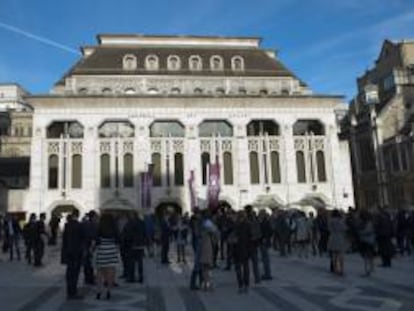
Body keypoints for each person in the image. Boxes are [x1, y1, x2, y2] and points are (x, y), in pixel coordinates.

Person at [94, 213, 120, 300]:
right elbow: (118, 240)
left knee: (99, 271)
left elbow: (96, 239)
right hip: (112, 250)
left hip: (101, 250)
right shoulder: (114, 227)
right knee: (111, 271)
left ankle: (98, 291)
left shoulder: (99, 227)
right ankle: (108, 291)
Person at [61, 210, 85, 300]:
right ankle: (73, 292)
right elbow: (83, 239)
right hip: (77, 253)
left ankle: (69, 291)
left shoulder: (67, 225)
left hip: (68, 252)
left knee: (69, 272)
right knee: (75, 273)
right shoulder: (79, 225)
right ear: (78, 215)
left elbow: (64, 241)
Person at [123, 212, 146, 283]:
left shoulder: (130, 223)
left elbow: (127, 234)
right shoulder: (142, 222)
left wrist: (126, 242)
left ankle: (131, 278)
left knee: (131, 262)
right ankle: (141, 277)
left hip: (132, 245)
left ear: (132, 215)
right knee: (140, 262)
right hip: (140, 245)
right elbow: (144, 233)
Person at [199, 210, 219, 291]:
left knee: (204, 266)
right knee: (207, 266)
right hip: (207, 246)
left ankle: (205, 283)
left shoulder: (202, 223)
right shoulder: (207, 224)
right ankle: (207, 284)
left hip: (203, 245)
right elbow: (215, 231)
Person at [234, 210, 251, 293]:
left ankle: (241, 285)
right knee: (245, 268)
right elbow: (251, 238)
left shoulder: (236, 226)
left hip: (238, 249)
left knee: (239, 268)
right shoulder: (248, 225)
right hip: (245, 249)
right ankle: (246, 285)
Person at [327, 210, 347, 276]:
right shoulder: (341, 221)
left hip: (332, 237)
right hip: (340, 237)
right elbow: (344, 228)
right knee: (340, 254)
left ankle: (335, 268)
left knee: (334, 254)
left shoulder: (330, 221)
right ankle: (341, 269)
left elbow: (329, 229)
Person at [358, 210, 376, 276]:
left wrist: (361, 233)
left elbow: (368, 231)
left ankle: (368, 268)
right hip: (370, 240)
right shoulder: (370, 222)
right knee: (369, 255)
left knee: (366, 255)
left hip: (365, 240)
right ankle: (371, 267)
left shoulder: (366, 223)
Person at [82, 211, 98, 285]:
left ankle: (87, 278)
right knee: (90, 263)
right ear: (93, 217)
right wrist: (92, 247)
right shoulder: (94, 225)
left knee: (86, 263)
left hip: (84, 245)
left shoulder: (84, 224)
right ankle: (90, 279)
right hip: (90, 246)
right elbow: (93, 237)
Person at [258, 209, 273, 280]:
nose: (259, 215)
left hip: (264, 242)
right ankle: (267, 273)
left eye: (260, 214)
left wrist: (265, 238)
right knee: (265, 258)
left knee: (265, 259)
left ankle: (267, 274)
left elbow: (268, 232)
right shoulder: (265, 222)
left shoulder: (265, 222)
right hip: (264, 241)